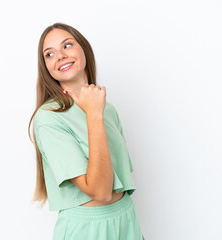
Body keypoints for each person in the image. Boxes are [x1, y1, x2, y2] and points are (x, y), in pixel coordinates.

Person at [28, 22, 145, 240]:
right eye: (49, 54)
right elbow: (100, 191)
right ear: (46, 68)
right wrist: (93, 114)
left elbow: (121, 184)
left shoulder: (107, 109)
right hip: (87, 229)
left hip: (126, 217)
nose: (60, 56)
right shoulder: (49, 117)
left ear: (84, 49)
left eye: (67, 45)